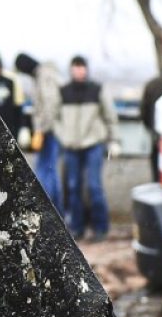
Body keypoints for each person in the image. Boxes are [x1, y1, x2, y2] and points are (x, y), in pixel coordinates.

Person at [56, 55, 120, 242]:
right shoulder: (64, 92)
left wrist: (114, 140)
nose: (79, 70)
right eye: (76, 67)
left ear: (86, 69)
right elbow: (55, 118)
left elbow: (110, 116)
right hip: (71, 146)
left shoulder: (97, 89)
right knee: (73, 186)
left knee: (94, 186)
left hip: (93, 144)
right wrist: (64, 136)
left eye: (82, 67)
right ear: (71, 69)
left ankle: (101, 227)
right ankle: (77, 227)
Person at [15, 51, 63, 211]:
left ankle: (46, 208)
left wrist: (41, 130)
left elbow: (50, 104)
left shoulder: (44, 75)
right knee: (50, 170)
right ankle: (56, 209)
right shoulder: (43, 74)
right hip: (50, 129)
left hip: (49, 130)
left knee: (45, 170)